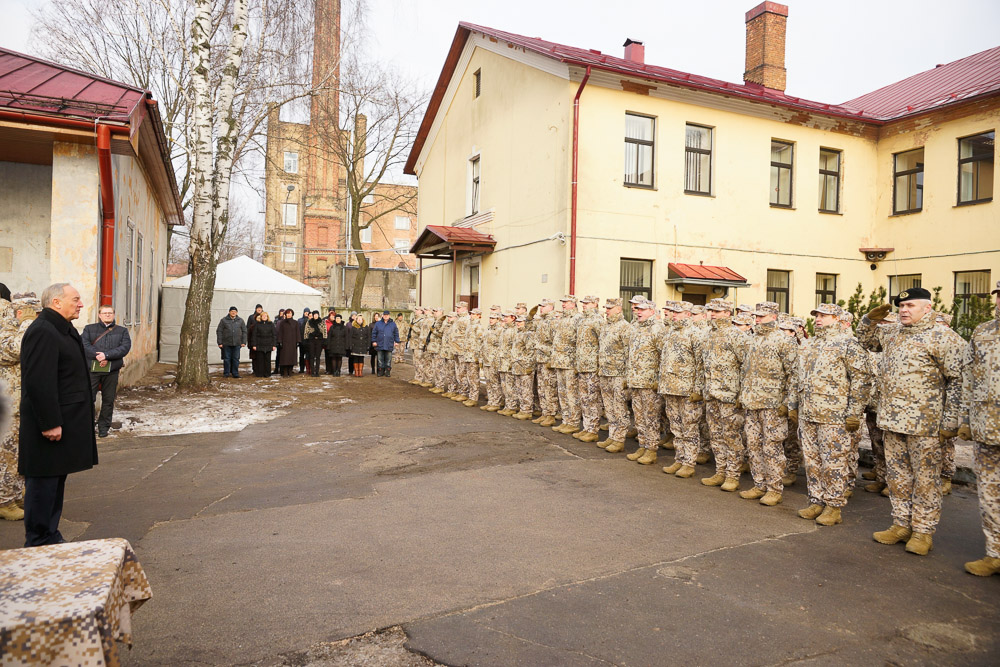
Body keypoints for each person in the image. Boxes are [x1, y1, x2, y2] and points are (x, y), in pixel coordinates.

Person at [857, 288, 964, 556]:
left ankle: (923, 531)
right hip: (892, 421)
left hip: (925, 424)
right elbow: (865, 342)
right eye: (902, 306)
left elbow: (958, 382)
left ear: (928, 308)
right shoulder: (893, 334)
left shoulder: (945, 338)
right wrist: (868, 320)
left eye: (911, 306)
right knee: (898, 478)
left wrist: (950, 421)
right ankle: (901, 524)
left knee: (926, 480)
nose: (904, 310)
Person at [19, 283, 99, 547]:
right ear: (56, 302)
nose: (80, 304)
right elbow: (39, 382)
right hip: (50, 425)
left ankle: (50, 535)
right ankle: (39, 541)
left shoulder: (59, 328)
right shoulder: (43, 331)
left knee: (54, 482)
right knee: (43, 484)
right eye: (75, 299)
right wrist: (50, 422)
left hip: (63, 422)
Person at [789, 303, 872, 527]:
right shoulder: (809, 344)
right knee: (813, 462)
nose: (818, 319)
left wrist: (854, 412)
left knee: (833, 463)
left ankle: (834, 506)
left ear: (836, 318)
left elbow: (861, 381)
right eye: (816, 315)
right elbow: (797, 378)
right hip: (809, 413)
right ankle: (816, 501)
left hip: (834, 416)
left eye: (824, 315)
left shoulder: (848, 344)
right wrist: (793, 405)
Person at [738, 302, 798, 507]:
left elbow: (794, 375)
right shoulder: (751, 339)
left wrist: (788, 403)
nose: (757, 319)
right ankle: (759, 484)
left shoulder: (784, 341)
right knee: (753, 445)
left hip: (772, 405)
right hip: (751, 402)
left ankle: (774, 488)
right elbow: (744, 370)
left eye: (761, 316)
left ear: (774, 317)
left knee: (771, 447)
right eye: (756, 316)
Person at [960, 280, 1000, 576]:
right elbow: (969, 377)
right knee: (989, 493)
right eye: (998, 296)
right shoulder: (983, 332)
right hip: (987, 429)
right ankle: (994, 552)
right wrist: (965, 419)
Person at [701, 300, 750, 491]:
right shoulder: (709, 335)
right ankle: (720, 470)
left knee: (731, 436)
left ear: (727, 313)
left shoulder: (736, 336)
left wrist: (741, 394)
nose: (712, 313)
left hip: (730, 395)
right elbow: (703, 365)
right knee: (715, 435)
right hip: (712, 393)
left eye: (717, 311)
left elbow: (746, 367)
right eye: (711, 310)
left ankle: (732, 475)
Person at [1, 295, 39, 521]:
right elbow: (13, 351)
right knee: (6, 457)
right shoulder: (6, 332)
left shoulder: (15, 330)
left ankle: (14, 496)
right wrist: (25, 323)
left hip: (20, 403)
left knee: (18, 455)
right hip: (8, 406)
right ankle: (4, 501)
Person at [659, 301, 704, 479]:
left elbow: (701, 364)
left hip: (687, 390)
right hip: (671, 387)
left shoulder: (695, 334)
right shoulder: (671, 332)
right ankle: (679, 458)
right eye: (673, 312)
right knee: (676, 427)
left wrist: (698, 389)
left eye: (678, 313)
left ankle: (689, 463)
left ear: (688, 314)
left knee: (689, 428)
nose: (674, 315)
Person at [81, 305, 132, 438]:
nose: (107, 315)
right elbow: (84, 345)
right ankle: (88, 426)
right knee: (88, 399)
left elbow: (125, 347)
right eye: (105, 313)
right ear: (99, 315)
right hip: (92, 369)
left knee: (108, 400)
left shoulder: (122, 331)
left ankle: (104, 426)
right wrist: (97, 356)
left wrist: (106, 356)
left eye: (110, 313)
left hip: (112, 369)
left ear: (114, 315)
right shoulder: (89, 329)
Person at [625, 298, 663, 465]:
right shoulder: (636, 328)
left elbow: (664, 356)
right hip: (636, 380)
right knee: (639, 416)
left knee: (651, 417)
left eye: (642, 309)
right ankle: (642, 445)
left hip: (649, 382)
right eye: (637, 309)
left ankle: (651, 449)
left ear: (652, 312)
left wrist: (658, 380)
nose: (638, 312)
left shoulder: (657, 329)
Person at [597, 297, 632, 453]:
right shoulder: (606, 326)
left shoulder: (625, 327)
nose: (607, 311)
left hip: (618, 374)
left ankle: (619, 439)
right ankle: (612, 436)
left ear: (619, 308)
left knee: (619, 407)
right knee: (609, 407)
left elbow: (628, 353)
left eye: (610, 308)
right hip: (605, 372)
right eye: (606, 308)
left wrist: (626, 377)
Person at [573, 296, 604, 443]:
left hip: (592, 366)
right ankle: (586, 427)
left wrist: (599, 365)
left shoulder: (598, 321)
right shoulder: (582, 320)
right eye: (583, 303)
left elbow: (602, 343)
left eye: (587, 303)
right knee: (584, 399)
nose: (584, 305)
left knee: (592, 399)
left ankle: (593, 429)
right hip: (582, 365)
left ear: (595, 304)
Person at [551, 296, 583, 434]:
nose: (563, 305)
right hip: (560, 361)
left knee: (571, 394)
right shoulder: (562, 319)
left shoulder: (578, 318)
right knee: (562, 393)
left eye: (566, 302)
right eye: (562, 302)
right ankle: (566, 420)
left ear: (573, 304)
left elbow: (580, 341)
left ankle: (574, 422)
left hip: (570, 362)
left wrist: (577, 363)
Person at [216, 306, 247, 378]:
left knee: (236, 359)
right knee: (226, 359)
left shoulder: (240, 320)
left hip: (237, 343)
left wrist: (243, 342)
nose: (233, 313)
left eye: (235, 311)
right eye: (232, 311)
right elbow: (219, 331)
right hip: (226, 343)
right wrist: (220, 342)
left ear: (237, 313)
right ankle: (226, 373)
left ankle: (235, 373)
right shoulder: (223, 320)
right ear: (229, 312)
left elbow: (244, 331)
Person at [371, 310, 400, 377]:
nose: (386, 316)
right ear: (382, 316)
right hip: (380, 344)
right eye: (384, 315)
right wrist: (374, 341)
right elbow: (374, 333)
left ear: (389, 316)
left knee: (388, 359)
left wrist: (396, 341)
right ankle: (380, 371)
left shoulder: (393, 324)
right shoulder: (378, 324)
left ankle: (387, 372)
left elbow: (396, 333)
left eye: (387, 315)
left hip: (389, 344)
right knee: (380, 360)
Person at [250, 311, 276, 377]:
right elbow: (254, 335)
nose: (264, 317)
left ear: (267, 317)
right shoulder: (257, 324)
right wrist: (254, 345)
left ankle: (267, 373)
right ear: (261, 317)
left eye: (265, 316)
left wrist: (274, 345)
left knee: (267, 360)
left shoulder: (271, 324)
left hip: (268, 345)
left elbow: (274, 335)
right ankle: (260, 373)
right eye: (263, 316)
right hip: (259, 344)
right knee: (260, 360)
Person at [275, 308, 300, 377]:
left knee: (292, 357)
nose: (289, 315)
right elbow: (280, 332)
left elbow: (298, 332)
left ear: (292, 314)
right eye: (287, 313)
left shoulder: (295, 322)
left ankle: (290, 371)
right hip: (285, 343)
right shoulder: (282, 323)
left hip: (292, 342)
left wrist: (298, 341)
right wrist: (280, 341)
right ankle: (285, 372)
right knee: (285, 358)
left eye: (290, 313)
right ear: (285, 314)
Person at [303, 311, 325, 377]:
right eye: (314, 315)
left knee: (318, 357)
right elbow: (306, 331)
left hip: (319, 340)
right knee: (311, 356)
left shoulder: (322, 322)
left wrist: (324, 340)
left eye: (317, 314)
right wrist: (306, 340)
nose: (315, 316)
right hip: (311, 340)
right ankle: (312, 371)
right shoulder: (309, 322)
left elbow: (324, 331)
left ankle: (317, 372)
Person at [247, 304, 263, 375]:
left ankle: (261, 369)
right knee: (254, 356)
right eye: (258, 308)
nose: (259, 310)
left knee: (261, 356)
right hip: (253, 340)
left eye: (260, 308)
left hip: (262, 341)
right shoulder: (251, 317)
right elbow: (247, 328)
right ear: (256, 309)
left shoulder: (264, 316)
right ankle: (255, 369)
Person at [324, 309, 338, 374]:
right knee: (327, 356)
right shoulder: (326, 322)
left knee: (333, 356)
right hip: (327, 341)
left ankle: (334, 369)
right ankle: (328, 369)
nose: (332, 317)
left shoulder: (336, 323)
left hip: (334, 342)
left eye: (333, 316)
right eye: (331, 316)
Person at [297, 307, 311, 373]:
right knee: (301, 355)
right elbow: (298, 330)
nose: (306, 314)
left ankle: (308, 369)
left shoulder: (310, 320)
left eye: (308, 313)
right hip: (302, 341)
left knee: (308, 355)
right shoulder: (300, 320)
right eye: (305, 312)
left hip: (308, 342)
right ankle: (301, 369)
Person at [274, 309, 286, 374]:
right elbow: (276, 332)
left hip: (286, 342)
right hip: (279, 341)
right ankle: (276, 368)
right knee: (278, 355)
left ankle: (283, 369)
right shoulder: (278, 322)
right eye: (281, 313)